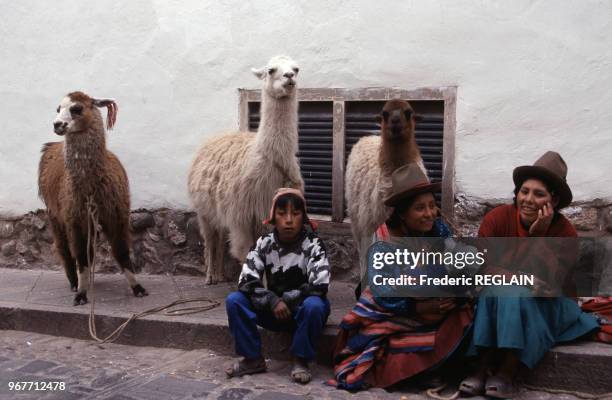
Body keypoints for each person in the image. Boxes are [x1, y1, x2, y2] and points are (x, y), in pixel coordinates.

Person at [459, 151, 600, 399]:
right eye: (524, 191)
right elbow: (483, 267)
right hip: (500, 293)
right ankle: (481, 368)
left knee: (521, 296)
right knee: (499, 291)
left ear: (553, 201)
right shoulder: (497, 218)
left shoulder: (564, 232)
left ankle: (508, 370)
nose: (528, 199)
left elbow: (547, 283)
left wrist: (539, 236)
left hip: (549, 302)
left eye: (539, 194)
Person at [330, 163, 473, 390]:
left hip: (432, 304)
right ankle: (419, 370)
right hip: (396, 307)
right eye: (420, 208)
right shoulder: (385, 239)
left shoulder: (438, 229)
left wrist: (452, 296)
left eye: (432, 206)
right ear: (403, 214)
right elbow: (384, 290)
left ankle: (433, 366)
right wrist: (419, 308)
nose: (429, 214)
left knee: (466, 313)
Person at [225, 188, 331, 384]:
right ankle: (252, 359)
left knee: (316, 305)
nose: (289, 220)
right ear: (273, 218)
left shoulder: (314, 244)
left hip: (301, 311)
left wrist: (288, 301)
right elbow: (246, 280)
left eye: (296, 214)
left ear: (304, 218)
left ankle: (300, 359)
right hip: (273, 310)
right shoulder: (264, 243)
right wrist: (272, 300)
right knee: (235, 300)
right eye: (282, 214)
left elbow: (320, 283)